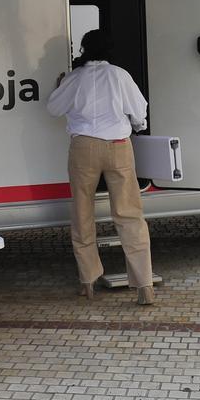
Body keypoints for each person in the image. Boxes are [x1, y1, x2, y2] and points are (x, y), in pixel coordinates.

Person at [47, 30, 155, 306]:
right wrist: (138, 127)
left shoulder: (74, 78)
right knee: (130, 213)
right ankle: (144, 284)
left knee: (83, 212)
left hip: (84, 147)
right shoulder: (120, 75)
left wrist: (60, 84)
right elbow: (139, 111)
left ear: (84, 49)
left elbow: (53, 109)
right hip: (119, 145)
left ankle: (88, 280)